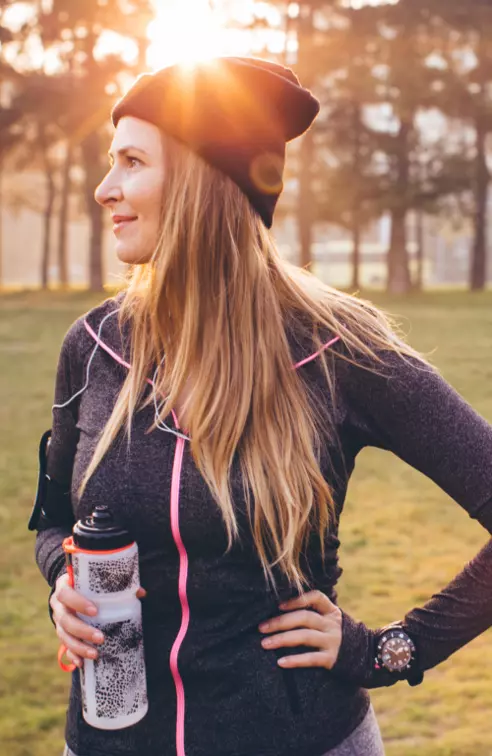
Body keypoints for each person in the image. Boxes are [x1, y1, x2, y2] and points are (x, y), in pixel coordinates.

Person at [31, 57, 492, 756]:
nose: (105, 189)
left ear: (203, 180)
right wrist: (64, 579)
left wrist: (393, 649)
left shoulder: (339, 349)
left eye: (131, 161)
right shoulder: (94, 344)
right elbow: (53, 520)